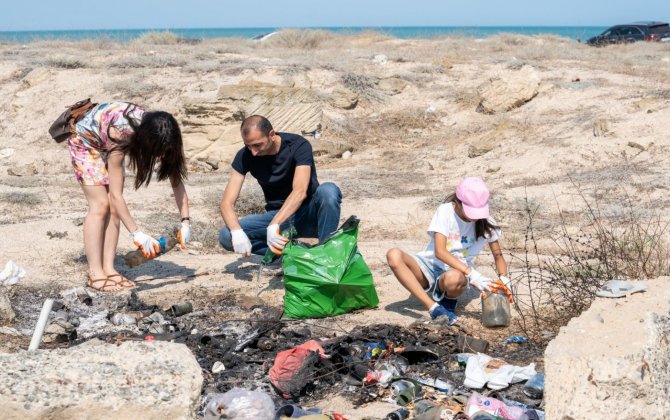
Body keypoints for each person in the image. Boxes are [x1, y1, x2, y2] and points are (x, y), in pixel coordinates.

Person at [66, 102, 192, 292]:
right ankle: (95, 273)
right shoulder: (121, 135)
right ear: (147, 142)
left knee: (114, 210)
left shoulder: (165, 134)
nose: (160, 156)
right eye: (157, 152)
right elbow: (116, 196)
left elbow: (176, 179)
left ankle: (109, 268)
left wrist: (185, 221)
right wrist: (137, 233)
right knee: (101, 205)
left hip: (106, 139)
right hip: (85, 141)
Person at [386, 177, 510, 324]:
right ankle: (433, 308)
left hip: (455, 274)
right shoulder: (445, 211)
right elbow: (440, 252)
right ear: (457, 202)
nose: (474, 218)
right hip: (428, 267)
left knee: (454, 278)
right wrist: (473, 274)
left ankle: (449, 301)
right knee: (393, 255)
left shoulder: (486, 221)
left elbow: (498, 255)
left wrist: (504, 279)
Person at [219, 115, 342, 257]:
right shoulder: (244, 156)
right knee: (226, 236)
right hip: (276, 215)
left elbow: (300, 191)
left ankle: (326, 254)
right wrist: (236, 232)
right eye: (248, 146)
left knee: (328, 190)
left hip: (309, 213)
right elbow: (226, 203)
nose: (253, 151)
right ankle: (293, 255)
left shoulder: (298, 145)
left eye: (257, 145)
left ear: (271, 135)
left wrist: (274, 224)